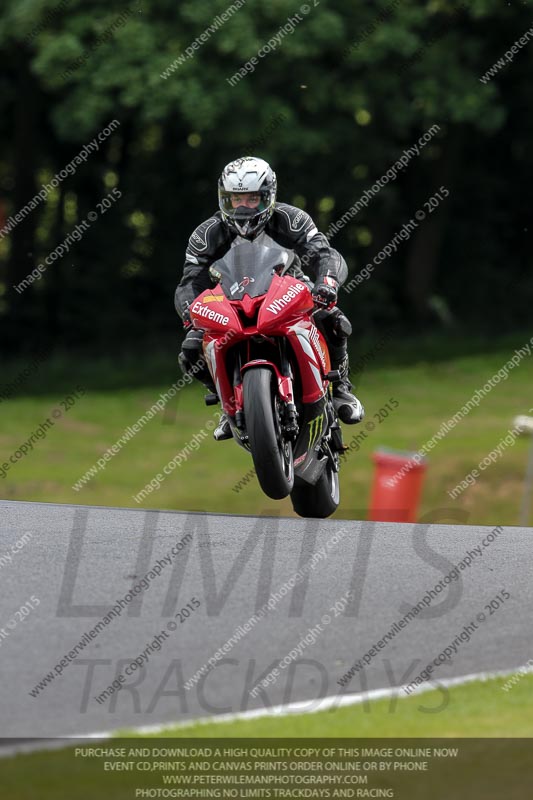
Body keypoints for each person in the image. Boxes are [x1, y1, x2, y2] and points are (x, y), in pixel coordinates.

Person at [175, 156, 364, 440]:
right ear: (223, 198)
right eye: (235, 199)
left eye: (252, 199)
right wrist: (190, 313)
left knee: (333, 319)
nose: (243, 207)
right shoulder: (207, 234)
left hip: (290, 292)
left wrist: (326, 282)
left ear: (268, 196)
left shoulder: (291, 219)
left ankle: (341, 390)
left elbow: (323, 253)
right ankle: (228, 405)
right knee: (191, 349)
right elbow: (191, 281)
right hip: (231, 301)